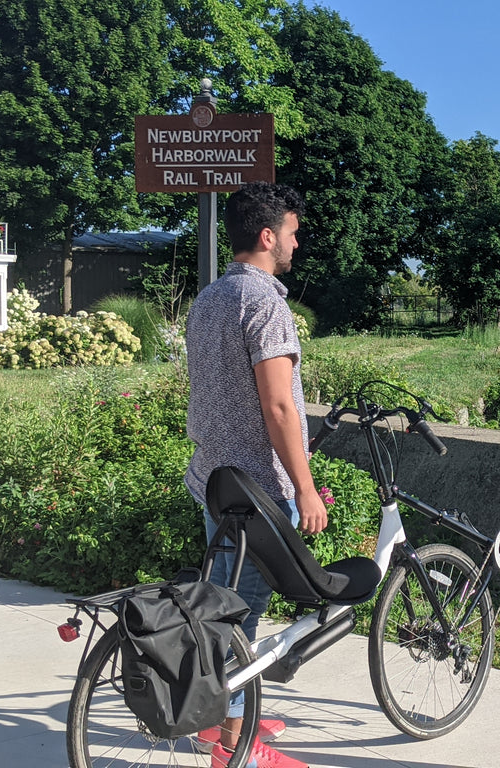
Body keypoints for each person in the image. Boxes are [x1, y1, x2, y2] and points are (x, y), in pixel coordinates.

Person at [185, 181, 326, 768]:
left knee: (227, 606)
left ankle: (229, 719)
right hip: (257, 492)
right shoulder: (266, 302)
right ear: (268, 237)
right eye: (292, 232)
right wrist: (304, 486)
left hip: (212, 480)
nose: (296, 242)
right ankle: (232, 748)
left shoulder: (209, 298)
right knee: (238, 618)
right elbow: (279, 406)